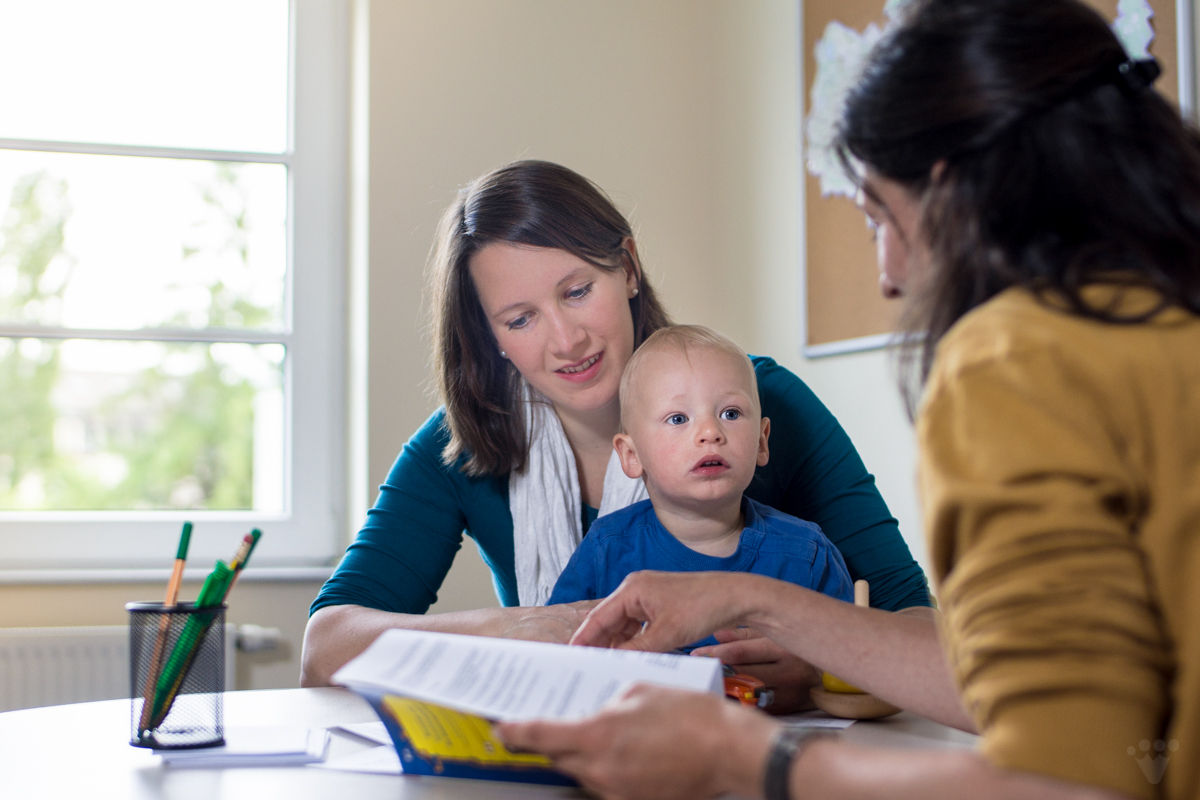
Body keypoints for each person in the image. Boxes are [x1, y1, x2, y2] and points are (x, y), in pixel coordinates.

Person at [496, 1, 1200, 799]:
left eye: (878, 219)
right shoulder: (1164, 320)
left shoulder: (1014, 359)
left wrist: (748, 758)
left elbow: (1070, 783)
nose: (888, 276)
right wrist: (746, 598)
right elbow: (1022, 680)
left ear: (949, 193)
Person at [301, 161, 941, 713]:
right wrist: (520, 628)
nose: (566, 340)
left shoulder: (760, 402)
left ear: (628, 268)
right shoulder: (465, 441)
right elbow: (325, 647)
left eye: (578, 291)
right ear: (488, 336)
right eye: (520, 319)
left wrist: (824, 662)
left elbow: (921, 627)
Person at [548, 325, 855, 636]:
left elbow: (848, 656)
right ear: (631, 455)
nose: (710, 432)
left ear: (762, 442)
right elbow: (553, 647)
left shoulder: (807, 555)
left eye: (730, 414)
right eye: (678, 418)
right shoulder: (606, 550)